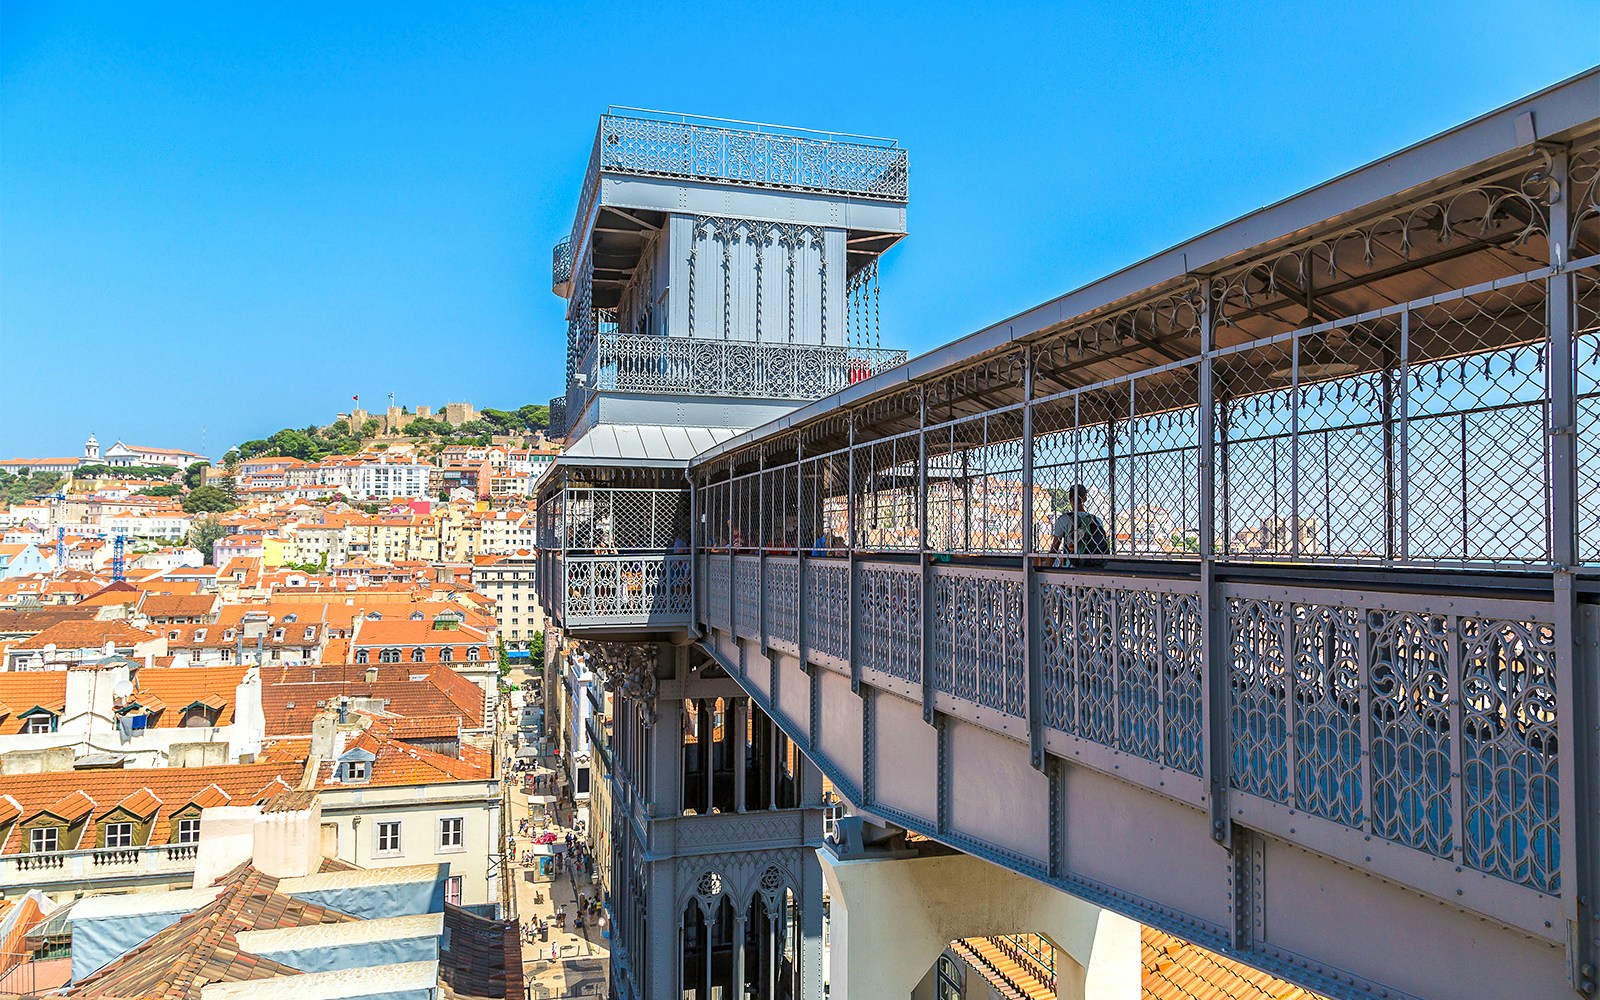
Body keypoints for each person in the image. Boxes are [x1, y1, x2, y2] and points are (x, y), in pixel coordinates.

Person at [1048, 485, 1110, 564]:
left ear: (1070, 499)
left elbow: (1054, 549)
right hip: (1094, 567)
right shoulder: (1097, 520)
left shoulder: (1064, 519)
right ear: (1085, 499)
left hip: (1071, 568)